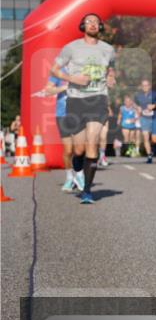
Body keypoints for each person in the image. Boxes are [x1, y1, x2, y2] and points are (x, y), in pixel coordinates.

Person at [50, 13, 116, 204]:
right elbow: (54, 70)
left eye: (96, 22)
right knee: (78, 149)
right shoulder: (71, 47)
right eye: (89, 22)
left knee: (92, 143)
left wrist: (111, 78)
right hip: (76, 101)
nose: (93, 24)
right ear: (83, 26)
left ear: (100, 26)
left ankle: (87, 191)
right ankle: (77, 167)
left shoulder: (108, 49)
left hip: (98, 99)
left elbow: (110, 69)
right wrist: (72, 78)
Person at [42, 67, 78, 191]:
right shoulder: (58, 73)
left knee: (79, 149)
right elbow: (47, 91)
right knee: (68, 150)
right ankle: (69, 178)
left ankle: (79, 175)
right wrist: (64, 88)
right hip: (62, 115)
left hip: (79, 115)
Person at [134, 79, 156, 164]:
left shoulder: (155, 94)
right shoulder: (138, 95)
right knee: (145, 137)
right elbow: (134, 103)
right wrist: (137, 107)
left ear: (150, 86)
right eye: (143, 85)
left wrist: (154, 105)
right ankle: (149, 155)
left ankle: (151, 149)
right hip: (144, 118)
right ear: (141, 86)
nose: (145, 87)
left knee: (154, 140)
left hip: (154, 118)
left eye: (146, 85)